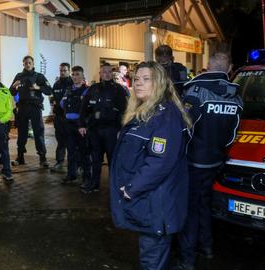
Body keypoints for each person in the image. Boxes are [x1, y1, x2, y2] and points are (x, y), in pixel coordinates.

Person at [110, 61, 192, 270]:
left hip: (156, 205)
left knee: (152, 261)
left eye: (147, 79)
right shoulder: (146, 111)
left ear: (160, 84)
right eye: (137, 79)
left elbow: (160, 162)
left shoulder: (165, 115)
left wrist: (131, 188)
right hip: (148, 203)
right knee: (151, 257)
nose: (139, 83)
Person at [175, 52, 242, 270]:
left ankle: (187, 259)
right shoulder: (236, 96)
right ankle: (207, 247)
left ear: (207, 66)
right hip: (215, 161)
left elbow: (185, 129)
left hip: (194, 161)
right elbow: (233, 135)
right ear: (229, 68)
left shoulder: (196, 91)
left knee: (190, 208)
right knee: (203, 203)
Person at [78, 63, 127, 193]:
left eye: (109, 72)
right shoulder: (92, 89)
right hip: (95, 130)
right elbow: (84, 108)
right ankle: (94, 184)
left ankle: (115, 187)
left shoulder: (119, 90)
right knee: (95, 159)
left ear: (112, 74)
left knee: (113, 159)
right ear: (99, 73)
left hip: (112, 130)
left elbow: (126, 111)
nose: (107, 74)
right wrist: (81, 125)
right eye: (104, 72)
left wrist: (122, 129)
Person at [10, 55, 52, 167]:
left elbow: (49, 90)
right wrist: (14, 87)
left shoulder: (39, 76)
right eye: (25, 63)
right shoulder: (19, 76)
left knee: (38, 133)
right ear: (23, 64)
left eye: (29, 63)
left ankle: (42, 158)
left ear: (33, 64)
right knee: (22, 133)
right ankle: (20, 157)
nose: (27, 65)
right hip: (23, 108)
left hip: (35, 108)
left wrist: (39, 88)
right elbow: (12, 92)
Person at [60, 66, 91, 184]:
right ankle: (71, 174)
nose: (74, 77)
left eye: (77, 74)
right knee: (71, 150)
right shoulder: (68, 89)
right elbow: (62, 104)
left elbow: (89, 108)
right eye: (73, 74)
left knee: (84, 152)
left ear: (83, 75)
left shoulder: (87, 90)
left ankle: (86, 176)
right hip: (68, 124)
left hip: (81, 125)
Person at [50, 63, 73, 172]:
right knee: (60, 141)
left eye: (65, 70)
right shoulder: (56, 84)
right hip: (59, 117)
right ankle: (59, 162)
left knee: (72, 142)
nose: (62, 72)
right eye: (61, 70)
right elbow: (53, 99)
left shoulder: (73, 83)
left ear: (69, 71)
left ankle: (75, 164)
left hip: (70, 118)